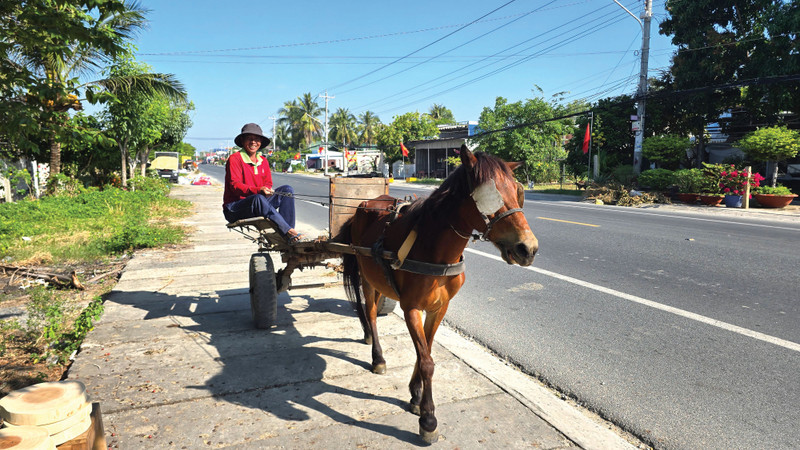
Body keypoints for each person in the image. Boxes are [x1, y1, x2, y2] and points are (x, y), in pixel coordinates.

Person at [223, 123, 307, 242]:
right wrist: (258, 190)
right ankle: (288, 231)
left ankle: (288, 235)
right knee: (257, 198)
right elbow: (234, 185)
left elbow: (268, 182)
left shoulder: (263, 161)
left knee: (287, 190)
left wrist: (266, 189)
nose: (253, 142)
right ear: (242, 140)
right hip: (235, 208)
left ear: (261, 142)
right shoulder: (235, 159)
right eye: (249, 138)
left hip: (258, 203)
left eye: (257, 139)